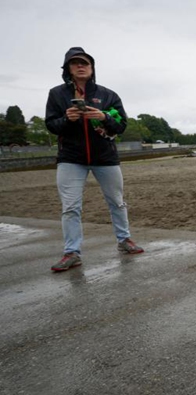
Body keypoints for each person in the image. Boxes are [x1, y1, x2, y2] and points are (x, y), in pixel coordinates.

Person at [45, 47, 143, 272]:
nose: (80, 66)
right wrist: (67, 119)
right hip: (70, 158)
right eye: (75, 63)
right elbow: (51, 125)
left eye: (85, 63)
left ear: (92, 68)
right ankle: (72, 252)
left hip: (105, 157)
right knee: (70, 206)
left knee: (117, 202)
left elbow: (121, 126)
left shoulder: (108, 95)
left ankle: (124, 240)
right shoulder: (57, 94)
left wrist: (104, 117)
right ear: (67, 68)